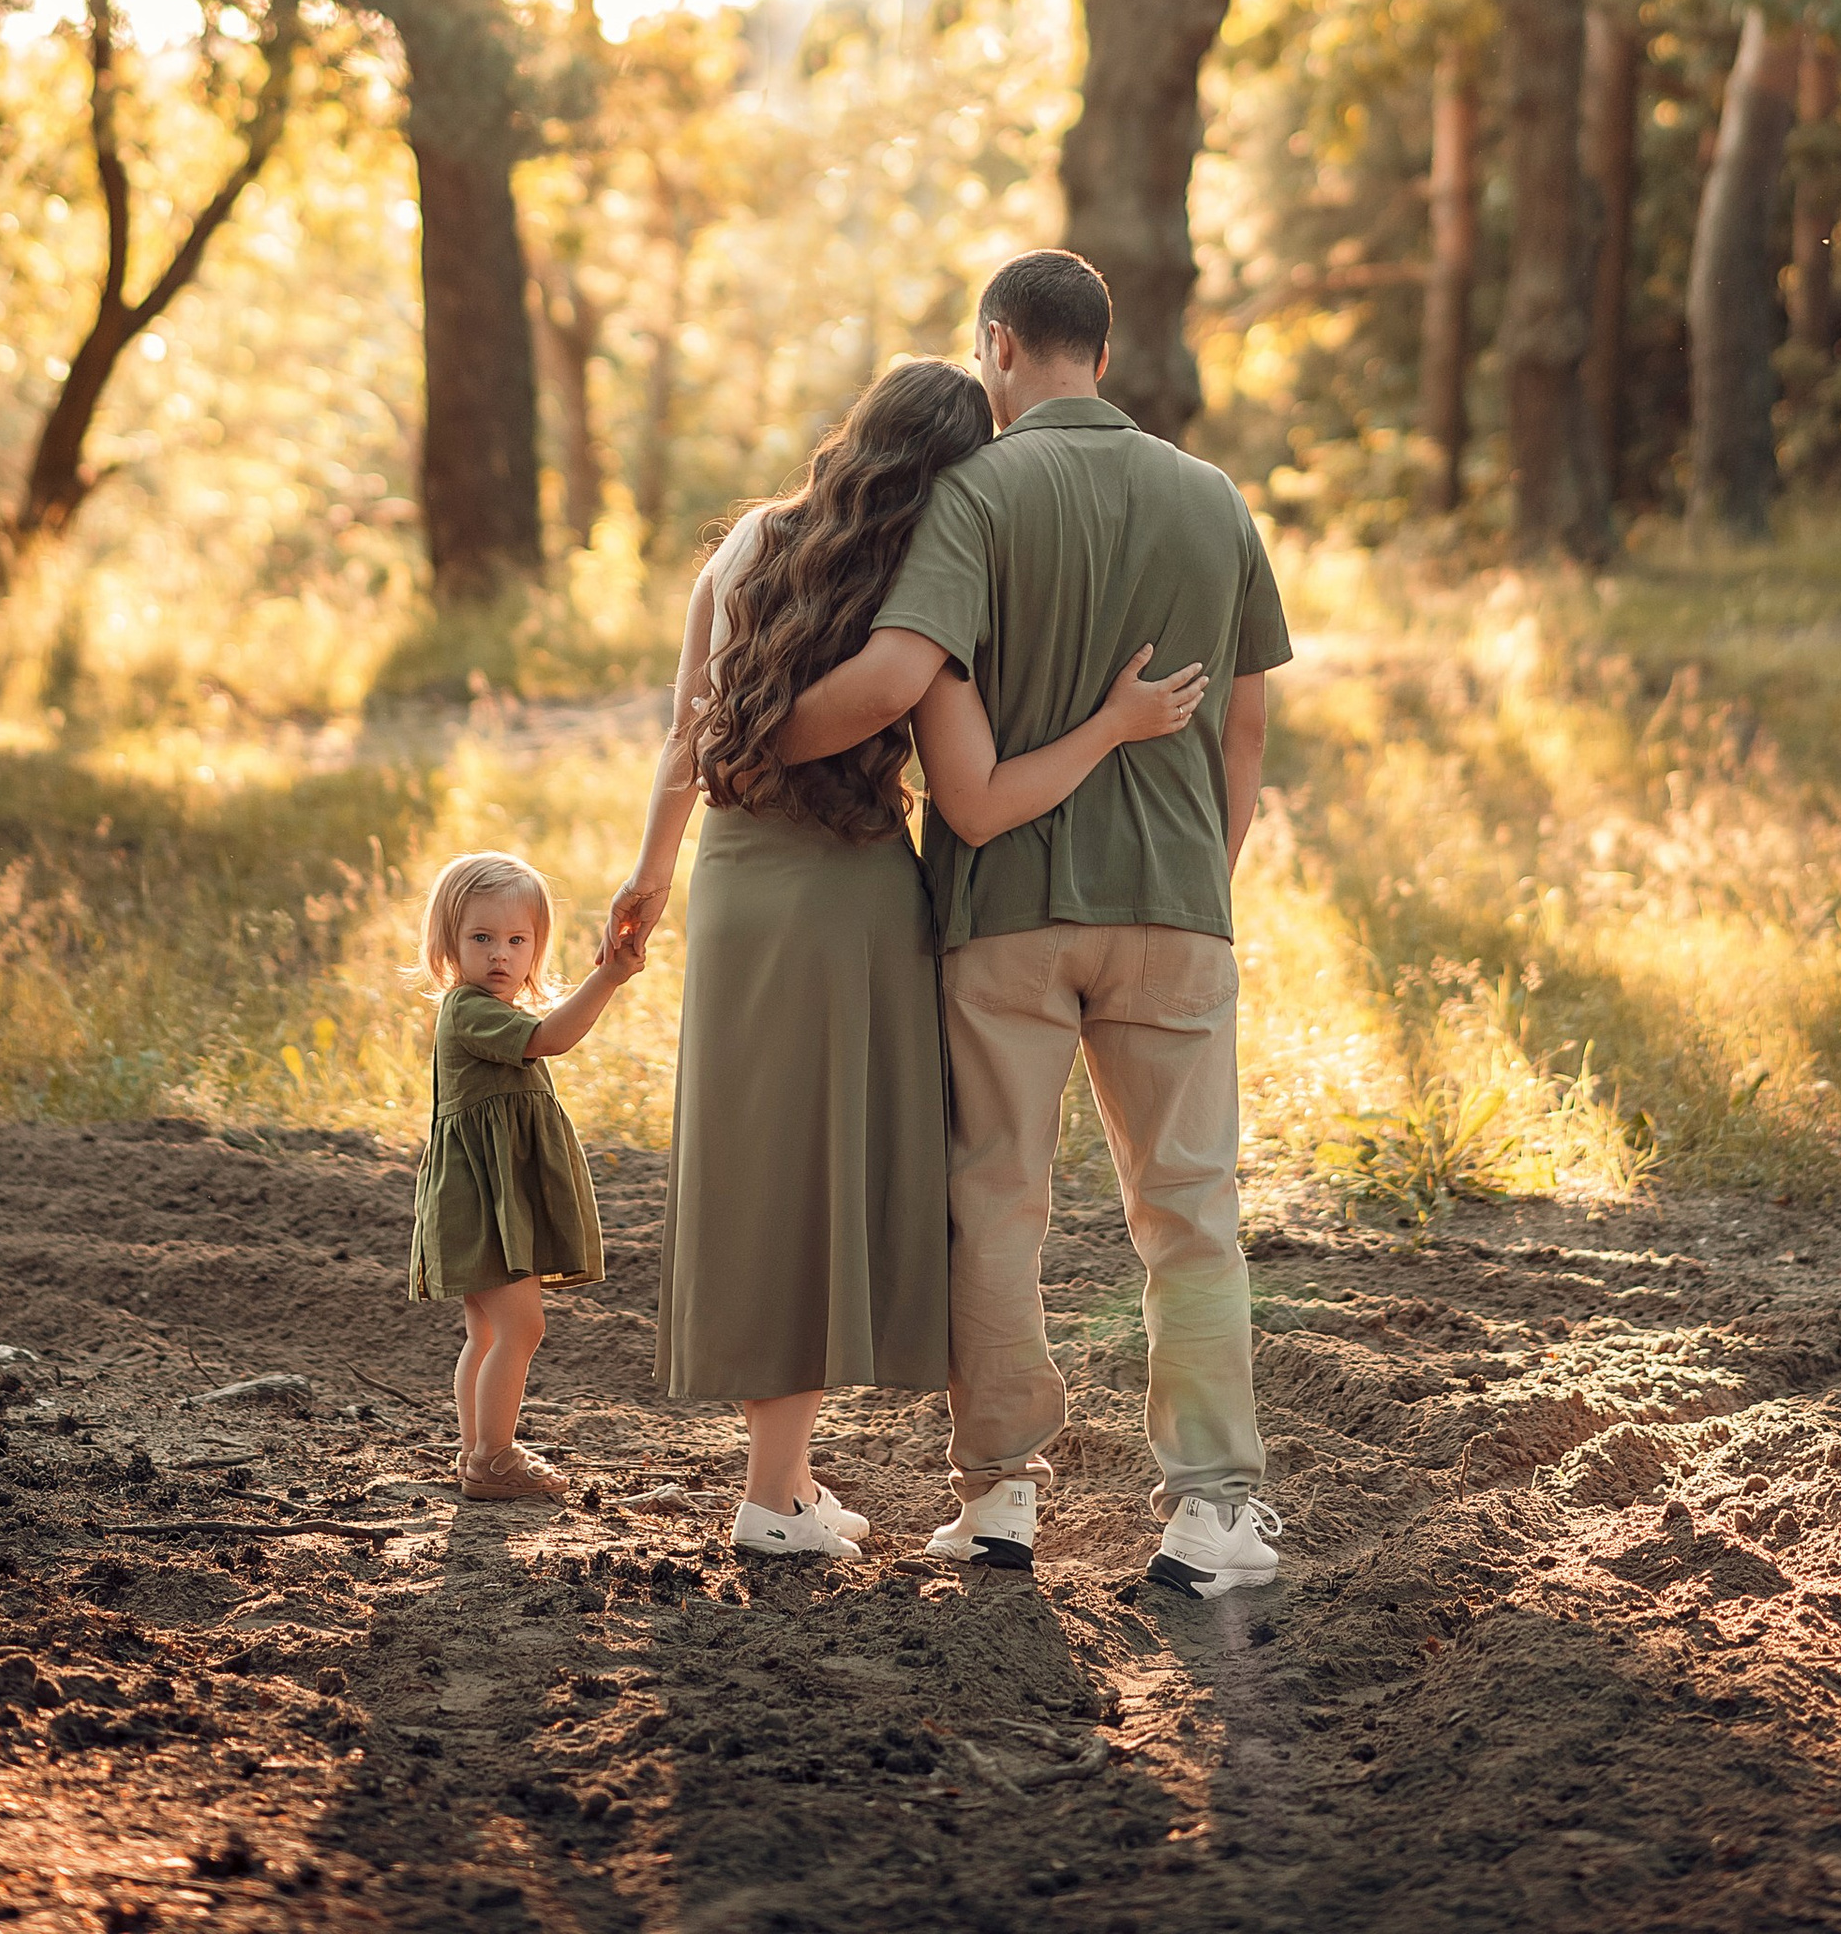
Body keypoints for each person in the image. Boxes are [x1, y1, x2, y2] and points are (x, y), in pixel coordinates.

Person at [607, 357, 1205, 1564]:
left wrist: (652, 871)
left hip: (735, 879)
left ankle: (782, 1479)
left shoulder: (747, 546)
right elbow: (977, 797)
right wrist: (1112, 724)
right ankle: (774, 1497)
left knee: (763, 1167)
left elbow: (688, 728)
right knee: (828, 1177)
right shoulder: (916, 604)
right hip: (853, 895)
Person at [777, 248, 1292, 1599]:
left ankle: (1001, 1498)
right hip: (1175, 908)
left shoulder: (973, 497)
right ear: (1103, 356)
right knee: (1188, 1213)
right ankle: (1211, 1516)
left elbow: (911, 679)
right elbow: (1245, 722)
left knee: (995, 1201)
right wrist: (1206, 875)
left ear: (1000, 347)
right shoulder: (1212, 499)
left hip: (1003, 909)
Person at [408, 846, 642, 1503]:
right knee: (521, 1327)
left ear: (537, 946)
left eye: (518, 939)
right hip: (482, 1203)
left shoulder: (486, 1010)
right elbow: (552, 1038)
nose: (500, 956)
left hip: (483, 1201)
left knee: (485, 1332)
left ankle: (480, 1452)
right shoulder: (470, 1009)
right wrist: (609, 979)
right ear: (450, 942)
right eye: (481, 938)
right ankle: (492, 1457)